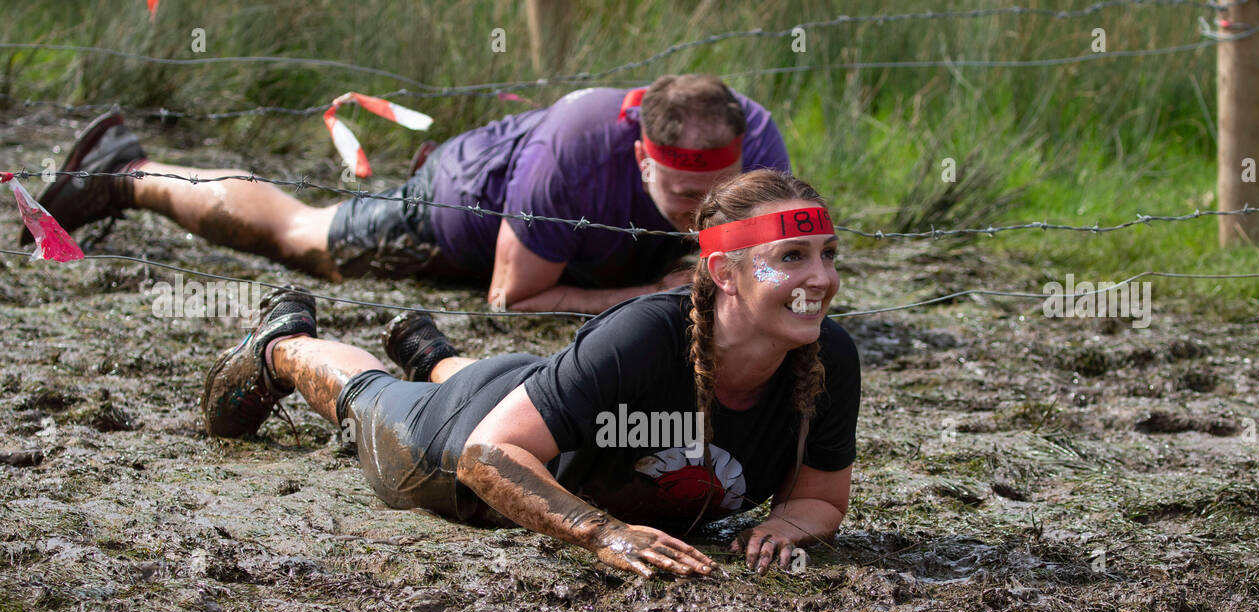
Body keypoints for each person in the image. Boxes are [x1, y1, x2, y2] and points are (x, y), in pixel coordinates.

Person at [200, 169, 859, 577]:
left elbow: (821, 500)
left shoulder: (831, 356)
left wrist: (784, 528)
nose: (821, 280)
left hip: (532, 393)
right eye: (792, 256)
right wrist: (605, 535)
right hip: (451, 444)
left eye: (828, 255)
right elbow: (487, 454)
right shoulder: (643, 336)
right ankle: (286, 343)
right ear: (724, 273)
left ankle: (432, 354)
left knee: (518, 389)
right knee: (370, 396)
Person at [21, 74, 790, 315]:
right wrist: (650, 292)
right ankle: (129, 173)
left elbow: (780, 267)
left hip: (596, 253)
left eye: (718, 190)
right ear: (640, 158)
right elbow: (512, 302)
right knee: (302, 239)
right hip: (467, 209)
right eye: (685, 194)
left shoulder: (758, 145)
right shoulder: (581, 146)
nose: (703, 211)